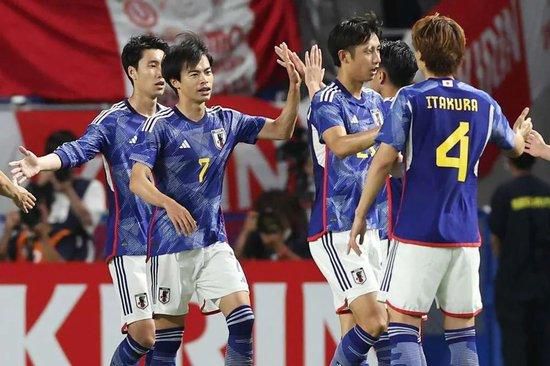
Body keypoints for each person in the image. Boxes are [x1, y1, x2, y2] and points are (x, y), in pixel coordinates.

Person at [348, 13, 532, 366]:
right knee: (463, 338)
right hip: (464, 237)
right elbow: (513, 146)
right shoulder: (484, 103)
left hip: (418, 233)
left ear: (419, 55)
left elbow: (384, 161)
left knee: (403, 328)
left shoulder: (410, 99)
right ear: (460, 55)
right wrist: (522, 134)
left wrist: (360, 214)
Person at [9, 35, 186, 365]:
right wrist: (41, 163)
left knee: (166, 340)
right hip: (131, 242)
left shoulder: (175, 121)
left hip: (171, 243)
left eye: (164, 65)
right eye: (152, 65)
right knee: (145, 335)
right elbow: (77, 150)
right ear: (132, 72)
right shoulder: (113, 121)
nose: (161, 73)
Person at [129, 32, 301, 365]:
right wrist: (168, 202)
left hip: (212, 242)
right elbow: (138, 181)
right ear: (175, 82)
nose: (205, 79)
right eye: (194, 73)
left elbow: (281, 129)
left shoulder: (227, 120)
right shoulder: (158, 127)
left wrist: (294, 88)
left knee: (243, 319)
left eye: (207, 71)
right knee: (165, 345)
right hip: (169, 247)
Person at [300, 13, 390, 366]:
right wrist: (386, 131)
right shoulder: (326, 102)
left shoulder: (374, 102)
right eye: (368, 51)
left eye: (378, 50)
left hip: (374, 229)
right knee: (378, 321)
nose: (377, 58)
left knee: (356, 327)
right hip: (336, 230)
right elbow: (338, 146)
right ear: (345, 56)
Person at [489, 153, 550, 366]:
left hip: (512, 285)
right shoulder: (547, 192)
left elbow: (496, 238)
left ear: (509, 161)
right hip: (545, 286)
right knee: (544, 348)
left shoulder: (504, 194)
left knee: (515, 350)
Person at [38, 130, 106, 261]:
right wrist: (38, 188)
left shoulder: (91, 187)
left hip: (77, 255)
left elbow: (90, 223)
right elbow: (28, 223)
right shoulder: (44, 187)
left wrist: (68, 191)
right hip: (42, 253)